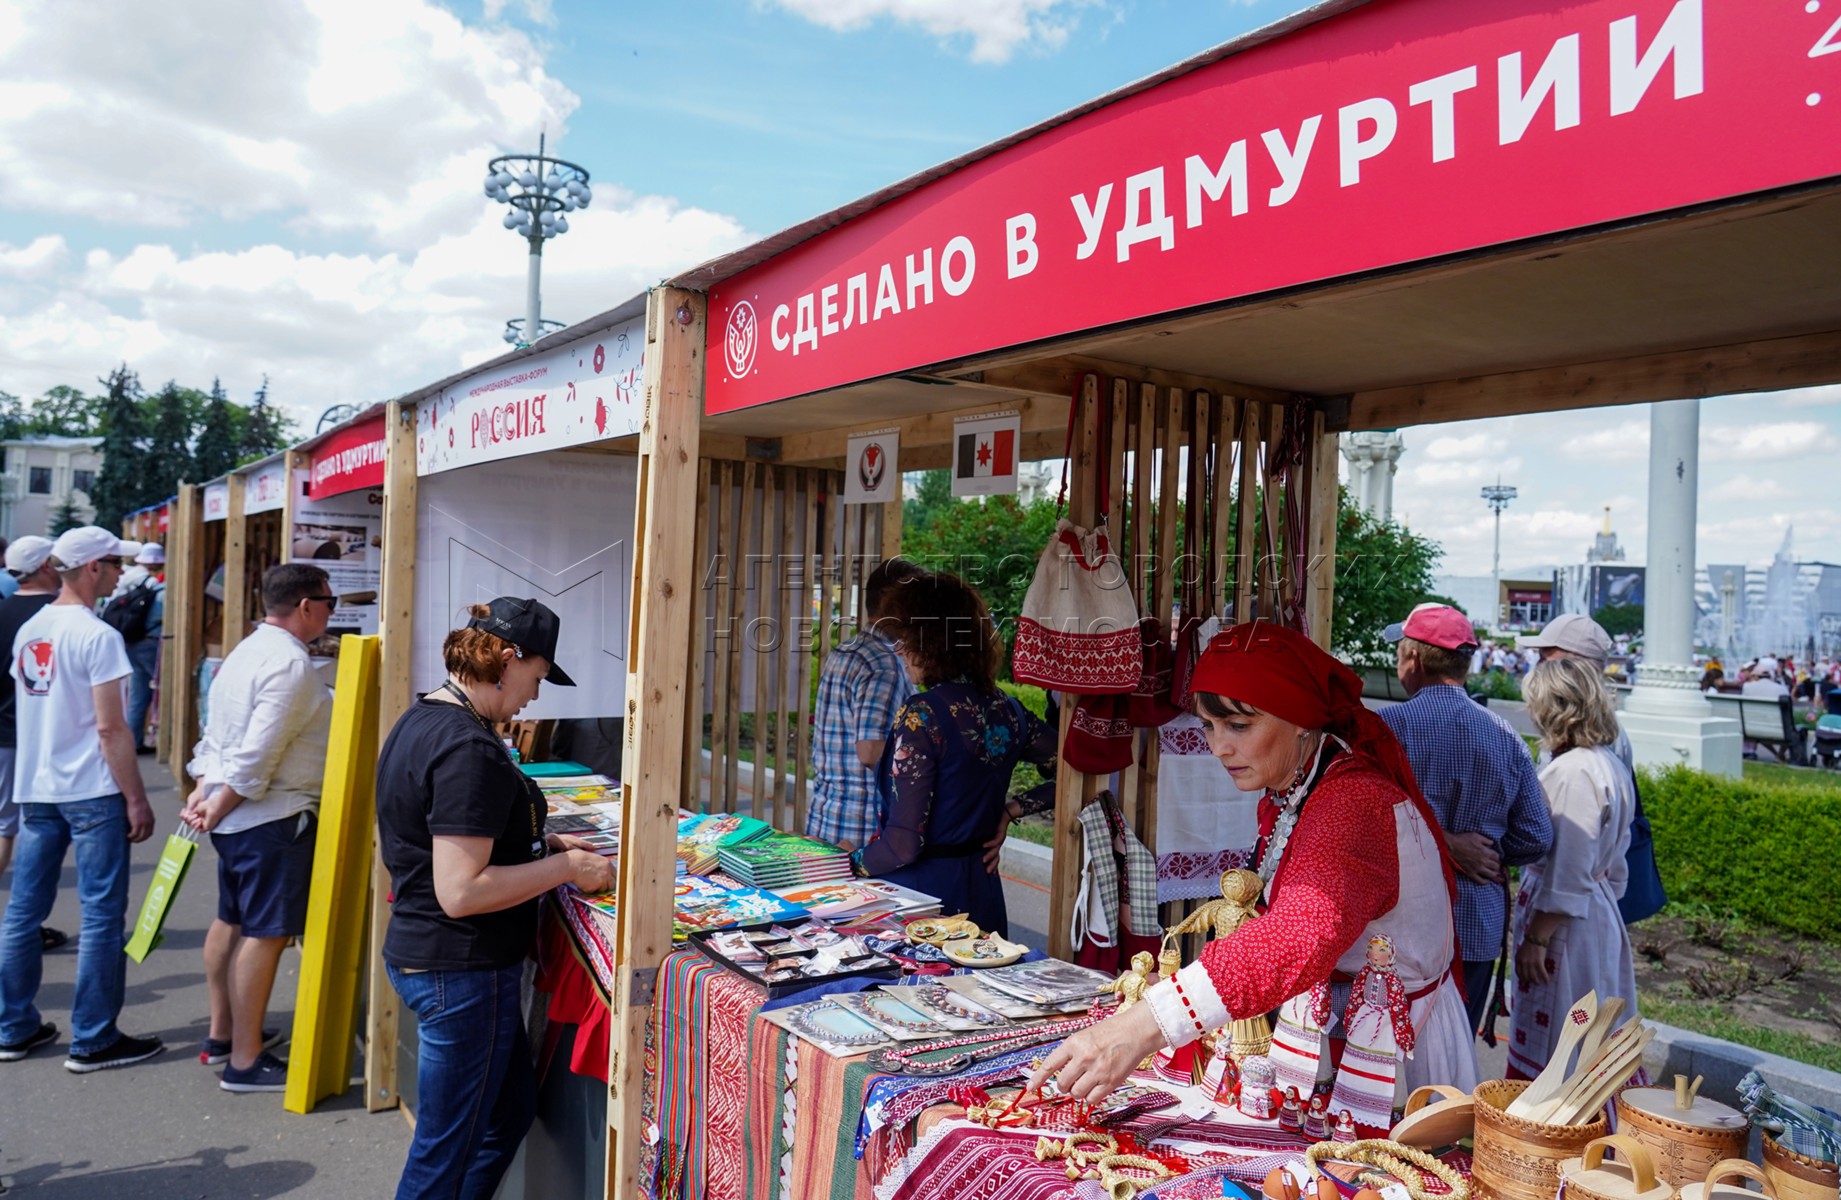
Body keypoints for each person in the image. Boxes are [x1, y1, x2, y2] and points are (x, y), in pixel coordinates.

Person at [1031, 623, 1479, 1124]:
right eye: (1208, 726)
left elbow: (1297, 936)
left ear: (1302, 721)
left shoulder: (1352, 802)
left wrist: (1145, 1025)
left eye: (1239, 726)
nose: (1218, 747)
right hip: (1332, 1036)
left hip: (1386, 1056)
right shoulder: (1299, 785)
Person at [376, 597, 615, 1200]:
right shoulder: (468, 748)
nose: (535, 696)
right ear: (508, 660)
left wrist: (539, 841)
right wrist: (564, 865)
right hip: (460, 969)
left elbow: (429, 842)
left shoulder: (426, 719)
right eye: (537, 676)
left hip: (442, 959)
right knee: (443, 1154)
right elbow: (461, 891)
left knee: (507, 1114)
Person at [0, 527, 160, 1071]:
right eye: (114, 562)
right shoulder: (97, 635)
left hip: (37, 785)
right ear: (92, 567)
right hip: (90, 788)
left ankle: (13, 1025)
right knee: (99, 917)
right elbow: (112, 729)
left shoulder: (33, 628)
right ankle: (93, 1036)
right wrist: (135, 798)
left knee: (23, 912)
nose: (119, 572)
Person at [182, 564, 335, 1092]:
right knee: (265, 936)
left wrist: (204, 791)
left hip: (239, 813)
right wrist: (216, 803)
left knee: (231, 921)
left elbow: (216, 737)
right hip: (270, 816)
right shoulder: (290, 664)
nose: (332, 613)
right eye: (330, 603)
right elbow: (256, 756)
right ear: (307, 605)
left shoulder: (246, 650)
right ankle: (244, 1062)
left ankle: (224, 1035)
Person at [848, 572, 1057, 936]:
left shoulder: (922, 716)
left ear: (933, 642)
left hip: (923, 902)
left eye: (905, 638)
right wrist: (1012, 809)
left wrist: (850, 862)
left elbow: (903, 845)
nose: (899, 650)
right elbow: (1072, 765)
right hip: (982, 888)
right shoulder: (1008, 709)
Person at [1381, 604, 1552, 1042]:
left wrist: (1435, 842)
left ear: (1413, 659)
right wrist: (1471, 850)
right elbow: (1536, 835)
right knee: (1454, 1050)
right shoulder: (1505, 735)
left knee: (1381, 1055)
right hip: (1476, 921)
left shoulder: (1385, 729)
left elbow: (1362, 820)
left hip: (1395, 923)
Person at [1506, 658, 1638, 1079]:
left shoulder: (1574, 771)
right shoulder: (1606, 762)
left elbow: (1570, 869)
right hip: (1592, 913)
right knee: (1588, 1031)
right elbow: (1616, 865)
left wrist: (1538, 939)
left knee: (1564, 1038)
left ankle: (1552, 1136)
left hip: (1565, 925)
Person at [807, 558, 925, 851]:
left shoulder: (849, 650)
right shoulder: (885, 663)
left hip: (829, 817)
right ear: (898, 605)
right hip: (861, 829)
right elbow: (871, 750)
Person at [0, 537, 67, 952]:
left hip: (10, 737)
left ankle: (22, 924)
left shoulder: (5, 610)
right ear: (45, 566)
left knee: (14, 831)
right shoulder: (56, 618)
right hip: (36, 741)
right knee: (23, 835)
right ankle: (22, 925)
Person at [110, 543, 165, 754]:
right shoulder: (155, 586)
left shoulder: (125, 579)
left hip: (130, 641)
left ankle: (134, 741)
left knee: (137, 694)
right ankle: (162, 740)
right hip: (150, 642)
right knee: (161, 691)